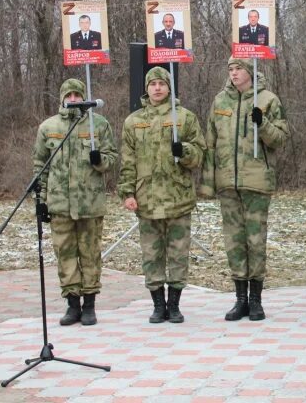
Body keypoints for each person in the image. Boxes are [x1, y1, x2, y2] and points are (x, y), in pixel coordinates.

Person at [201, 57, 289, 322]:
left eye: (238, 68)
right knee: (234, 242)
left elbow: (280, 139)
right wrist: (208, 183)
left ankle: (256, 300)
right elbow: (210, 143)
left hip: (256, 180)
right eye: (230, 69)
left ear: (249, 70)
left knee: (255, 241)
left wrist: (262, 123)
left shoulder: (268, 100)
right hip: (227, 182)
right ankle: (239, 299)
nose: (234, 73)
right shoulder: (220, 102)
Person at [118, 66, 206, 323]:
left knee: (179, 253)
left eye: (162, 83)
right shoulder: (133, 121)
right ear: (146, 88)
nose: (157, 88)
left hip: (178, 197)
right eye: (152, 84)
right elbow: (128, 160)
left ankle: (175, 304)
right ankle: (158, 305)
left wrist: (185, 150)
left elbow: (200, 154)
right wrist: (127, 192)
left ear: (169, 87)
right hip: (147, 199)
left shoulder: (184, 118)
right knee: (152, 254)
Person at [32, 78, 118, 326]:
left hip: (89, 203)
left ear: (83, 98)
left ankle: (89, 304)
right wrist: (41, 200)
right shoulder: (49, 127)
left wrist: (98, 159)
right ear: (62, 98)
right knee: (65, 254)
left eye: (76, 95)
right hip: (60, 204)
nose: (72, 99)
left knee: (90, 254)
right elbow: (40, 165)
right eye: (68, 95)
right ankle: (72, 303)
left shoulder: (98, 125)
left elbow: (111, 159)